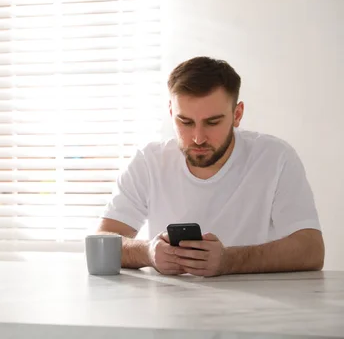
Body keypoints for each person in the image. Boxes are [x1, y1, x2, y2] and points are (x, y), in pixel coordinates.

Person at [97, 56, 324, 277]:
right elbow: (102, 241)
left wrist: (228, 260)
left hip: (255, 307)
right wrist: (147, 253)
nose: (198, 138)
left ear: (237, 114)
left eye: (212, 122)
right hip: (169, 308)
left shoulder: (275, 157)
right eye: (185, 122)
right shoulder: (149, 161)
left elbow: (311, 250)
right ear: (170, 112)